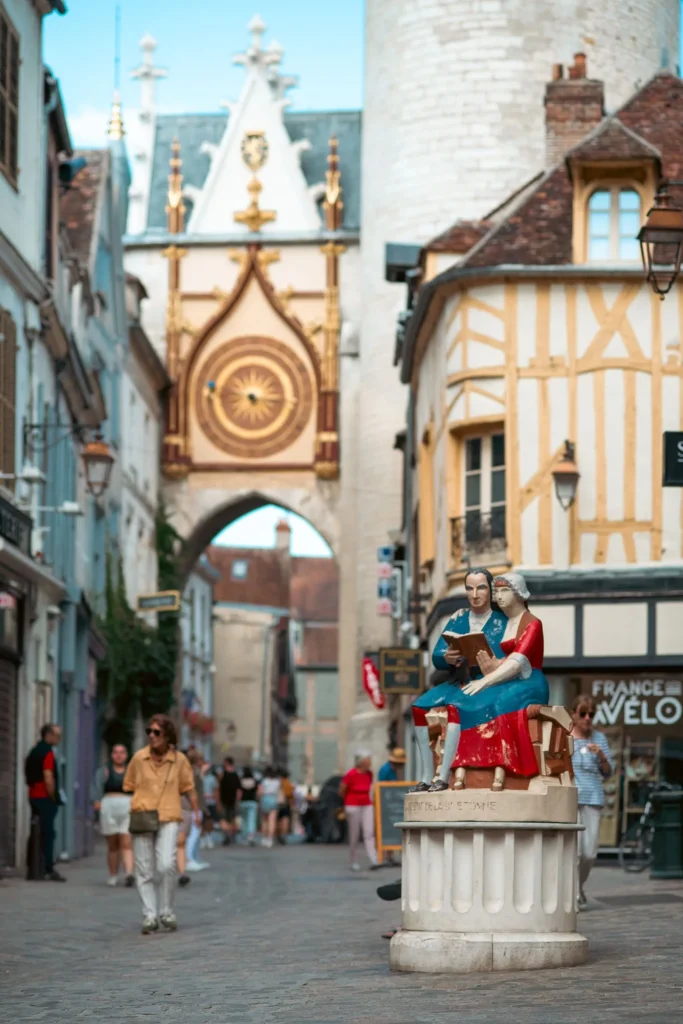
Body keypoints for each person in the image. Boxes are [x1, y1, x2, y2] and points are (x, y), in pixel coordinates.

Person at [450, 572, 551, 790]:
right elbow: (504, 659)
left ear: (520, 594)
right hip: (507, 678)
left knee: (501, 703)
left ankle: (503, 766)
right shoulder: (507, 622)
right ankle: (465, 765)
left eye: (505, 591)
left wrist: (483, 682)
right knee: (469, 702)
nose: (499, 596)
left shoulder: (533, 623)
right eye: (497, 591)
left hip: (530, 681)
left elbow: (517, 663)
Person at [411, 568, 507, 791]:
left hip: (487, 684)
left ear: (490, 591)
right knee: (418, 707)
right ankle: (426, 775)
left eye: (481, 587)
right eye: (469, 588)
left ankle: (443, 777)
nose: (475, 594)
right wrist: (447, 657)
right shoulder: (459, 618)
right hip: (459, 680)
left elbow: (510, 657)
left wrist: (495, 663)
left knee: (455, 708)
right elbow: (437, 654)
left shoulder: (501, 622)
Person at [123, 714, 200, 934]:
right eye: (149, 731)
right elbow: (128, 785)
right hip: (143, 814)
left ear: (167, 735)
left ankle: (167, 911)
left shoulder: (180, 760)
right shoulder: (139, 758)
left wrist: (197, 814)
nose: (152, 736)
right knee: (144, 869)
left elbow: (189, 788)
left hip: (169, 814)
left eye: (157, 732)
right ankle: (149, 914)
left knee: (167, 864)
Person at [570, 694, 614, 908]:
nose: (587, 718)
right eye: (583, 713)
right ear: (574, 714)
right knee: (575, 851)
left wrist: (602, 758)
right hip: (570, 799)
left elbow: (608, 773)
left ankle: (578, 887)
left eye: (591, 714)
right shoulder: (565, 736)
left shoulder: (599, 739)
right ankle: (573, 894)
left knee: (589, 854)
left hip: (593, 797)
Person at [25, 724, 65, 882]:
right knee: (48, 833)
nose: (59, 739)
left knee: (35, 831)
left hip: (33, 795)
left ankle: (33, 866)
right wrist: (53, 796)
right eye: (57, 735)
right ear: (48, 735)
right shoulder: (47, 753)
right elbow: (48, 776)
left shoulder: (33, 752)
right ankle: (47, 867)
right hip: (44, 798)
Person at [91, 743, 134, 887]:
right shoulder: (104, 771)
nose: (119, 755)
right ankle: (113, 874)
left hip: (127, 806)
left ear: (126, 755)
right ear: (112, 755)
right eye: (116, 752)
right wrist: (97, 802)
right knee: (113, 845)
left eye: (122, 752)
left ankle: (129, 874)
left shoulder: (132, 771)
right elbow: (96, 786)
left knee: (126, 842)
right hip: (109, 806)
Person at [340, 753, 379, 872]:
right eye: (368, 759)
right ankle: (354, 860)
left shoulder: (369, 774)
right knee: (354, 834)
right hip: (353, 805)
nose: (370, 762)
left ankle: (373, 858)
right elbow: (342, 790)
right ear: (361, 761)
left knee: (369, 832)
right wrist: (346, 803)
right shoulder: (351, 774)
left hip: (367, 804)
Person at [185, 749, 210, 871]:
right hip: (193, 806)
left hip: (196, 806)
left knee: (196, 833)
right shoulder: (193, 772)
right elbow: (194, 793)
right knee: (193, 834)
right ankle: (188, 859)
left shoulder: (193, 771)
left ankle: (194, 858)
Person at [218, 756, 241, 846]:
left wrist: (237, 800)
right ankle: (227, 835)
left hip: (232, 801)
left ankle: (229, 835)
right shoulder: (222, 774)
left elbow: (238, 789)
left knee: (231, 819)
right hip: (224, 800)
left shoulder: (234, 775)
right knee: (225, 819)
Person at [258, 766, 281, 848]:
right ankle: (270, 838)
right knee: (272, 820)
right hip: (273, 799)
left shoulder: (264, 781)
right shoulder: (277, 781)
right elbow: (279, 791)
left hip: (265, 798)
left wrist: (259, 800)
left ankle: (264, 838)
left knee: (264, 820)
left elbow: (260, 792)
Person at [238, 765, 259, 844]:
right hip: (252, 802)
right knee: (252, 819)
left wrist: (238, 801)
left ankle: (244, 835)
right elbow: (257, 792)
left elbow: (239, 793)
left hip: (243, 802)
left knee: (244, 820)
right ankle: (251, 835)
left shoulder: (241, 781)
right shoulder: (254, 781)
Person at [277, 769, 295, 844]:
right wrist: (291, 805)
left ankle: (279, 834)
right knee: (285, 820)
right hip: (286, 804)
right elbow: (290, 796)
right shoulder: (288, 784)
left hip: (278, 804)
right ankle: (283, 835)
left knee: (278, 820)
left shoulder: (278, 783)